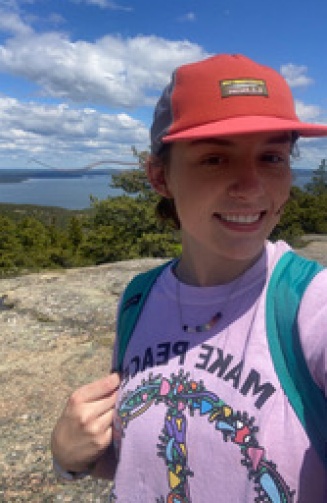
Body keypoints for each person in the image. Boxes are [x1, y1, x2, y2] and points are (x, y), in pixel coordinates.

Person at [51, 54, 327, 502]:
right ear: (161, 177)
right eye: (215, 158)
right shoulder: (139, 299)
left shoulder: (309, 305)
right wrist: (70, 457)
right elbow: (148, 459)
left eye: (272, 156)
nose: (252, 185)